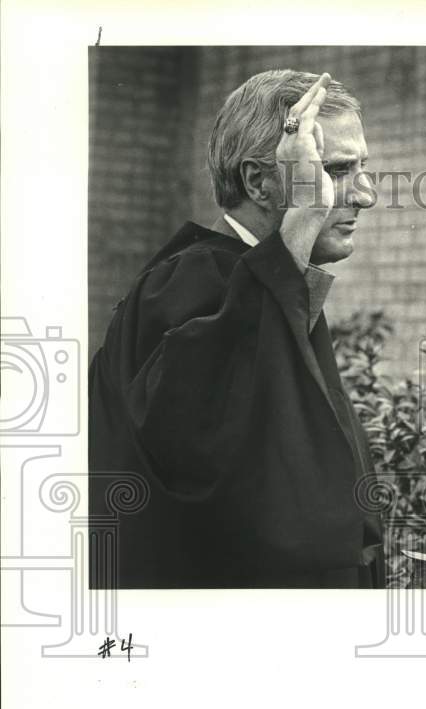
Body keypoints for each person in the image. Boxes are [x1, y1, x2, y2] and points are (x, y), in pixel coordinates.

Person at [89, 70, 385, 588]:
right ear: (258, 181)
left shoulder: (259, 285)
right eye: (335, 170)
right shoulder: (190, 281)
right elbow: (205, 444)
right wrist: (302, 219)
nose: (365, 195)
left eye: (363, 168)